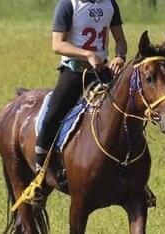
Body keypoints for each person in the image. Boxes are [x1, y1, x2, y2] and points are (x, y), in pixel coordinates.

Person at [35, 0, 127, 173]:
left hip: (102, 72)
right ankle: (40, 169)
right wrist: (87, 54)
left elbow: (120, 39)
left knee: (125, 113)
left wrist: (120, 56)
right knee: (53, 115)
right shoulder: (68, 4)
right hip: (74, 73)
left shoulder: (110, 4)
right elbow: (57, 44)